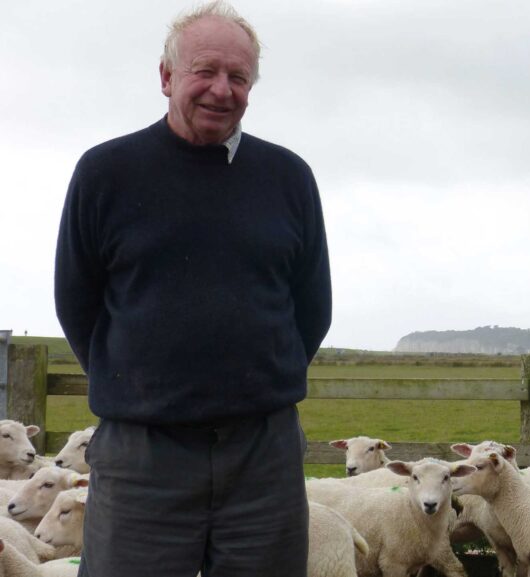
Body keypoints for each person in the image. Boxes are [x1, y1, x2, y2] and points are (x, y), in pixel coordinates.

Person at [54, 2, 331, 576]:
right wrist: (144, 386)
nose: (221, 90)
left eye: (239, 77)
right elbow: (77, 304)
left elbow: (312, 308)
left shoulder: (289, 178)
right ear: (166, 77)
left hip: (263, 456)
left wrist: (249, 384)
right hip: (142, 458)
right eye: (205, 71)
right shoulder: (106, 173)